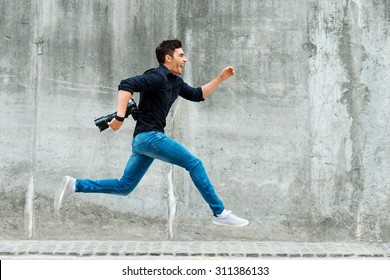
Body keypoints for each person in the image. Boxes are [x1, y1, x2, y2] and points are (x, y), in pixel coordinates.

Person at [54, 39, 249, 227]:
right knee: (194, 163)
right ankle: (220, 213)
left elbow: (198, 94)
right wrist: (120, 118)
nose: (185, 59)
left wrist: (221, 78)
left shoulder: (175, 82)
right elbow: (126, 85)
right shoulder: (158, 76)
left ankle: (75, 185)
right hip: (150, 137)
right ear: (168, 58)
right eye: (181, 55)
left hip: (142, 141)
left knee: (124, 187)